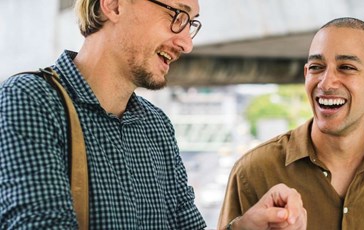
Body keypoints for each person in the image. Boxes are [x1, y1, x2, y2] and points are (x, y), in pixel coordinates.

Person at [0, 0, 306, 229]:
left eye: (192, 24)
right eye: (176, 16)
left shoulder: (156, 126)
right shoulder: (31, 100)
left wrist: (246, 226)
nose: (186, 43)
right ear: (114, 5)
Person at [218, 17, 364, 229]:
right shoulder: (253, 171)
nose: (326, 83)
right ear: (306, 74)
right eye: (317, 67)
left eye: (346, 67)